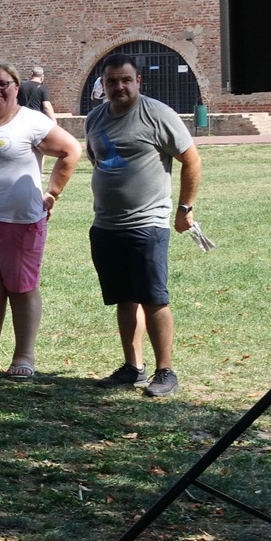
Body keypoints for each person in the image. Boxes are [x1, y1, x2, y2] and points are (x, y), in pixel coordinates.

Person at [86, 53, 202, 399]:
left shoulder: (158, 114)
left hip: (147, 223)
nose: (119, 87)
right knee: (124, 297)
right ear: (103, 85)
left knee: (153, 298)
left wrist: (185, 209)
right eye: (111, 81)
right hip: (106, 224)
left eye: (126, 80)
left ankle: (166, 370)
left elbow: (191, 160)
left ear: (138, 81)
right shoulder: (94, 119)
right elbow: (97, 161)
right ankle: (133, 367)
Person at [0, 62, 82, 379]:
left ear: (16, 86)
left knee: (22, 289)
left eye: (3, 83)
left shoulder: (32, 121)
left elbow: (71, 150)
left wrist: (52, 193)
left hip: (20, 219)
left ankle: (24, 357)